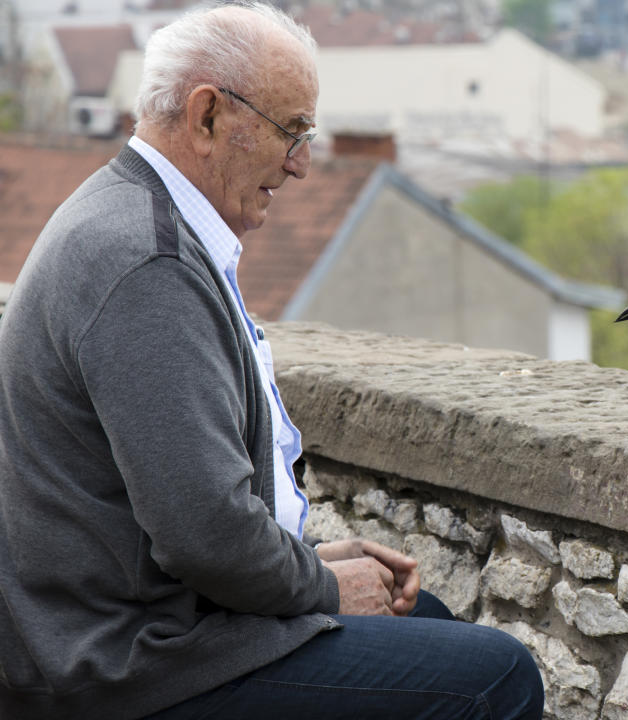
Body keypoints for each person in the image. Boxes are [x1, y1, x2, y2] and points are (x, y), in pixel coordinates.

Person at [0, 3, 544, 719]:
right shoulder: (144, 262)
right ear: (206, 118)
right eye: (291, 130)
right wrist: (319, 584)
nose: (302, 165)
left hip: (128, 633)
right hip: (125, 665)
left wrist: (308, 562)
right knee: (498, 676)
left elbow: (197, 511)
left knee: (431, 618)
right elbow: (206, 537)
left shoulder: (135, 220)